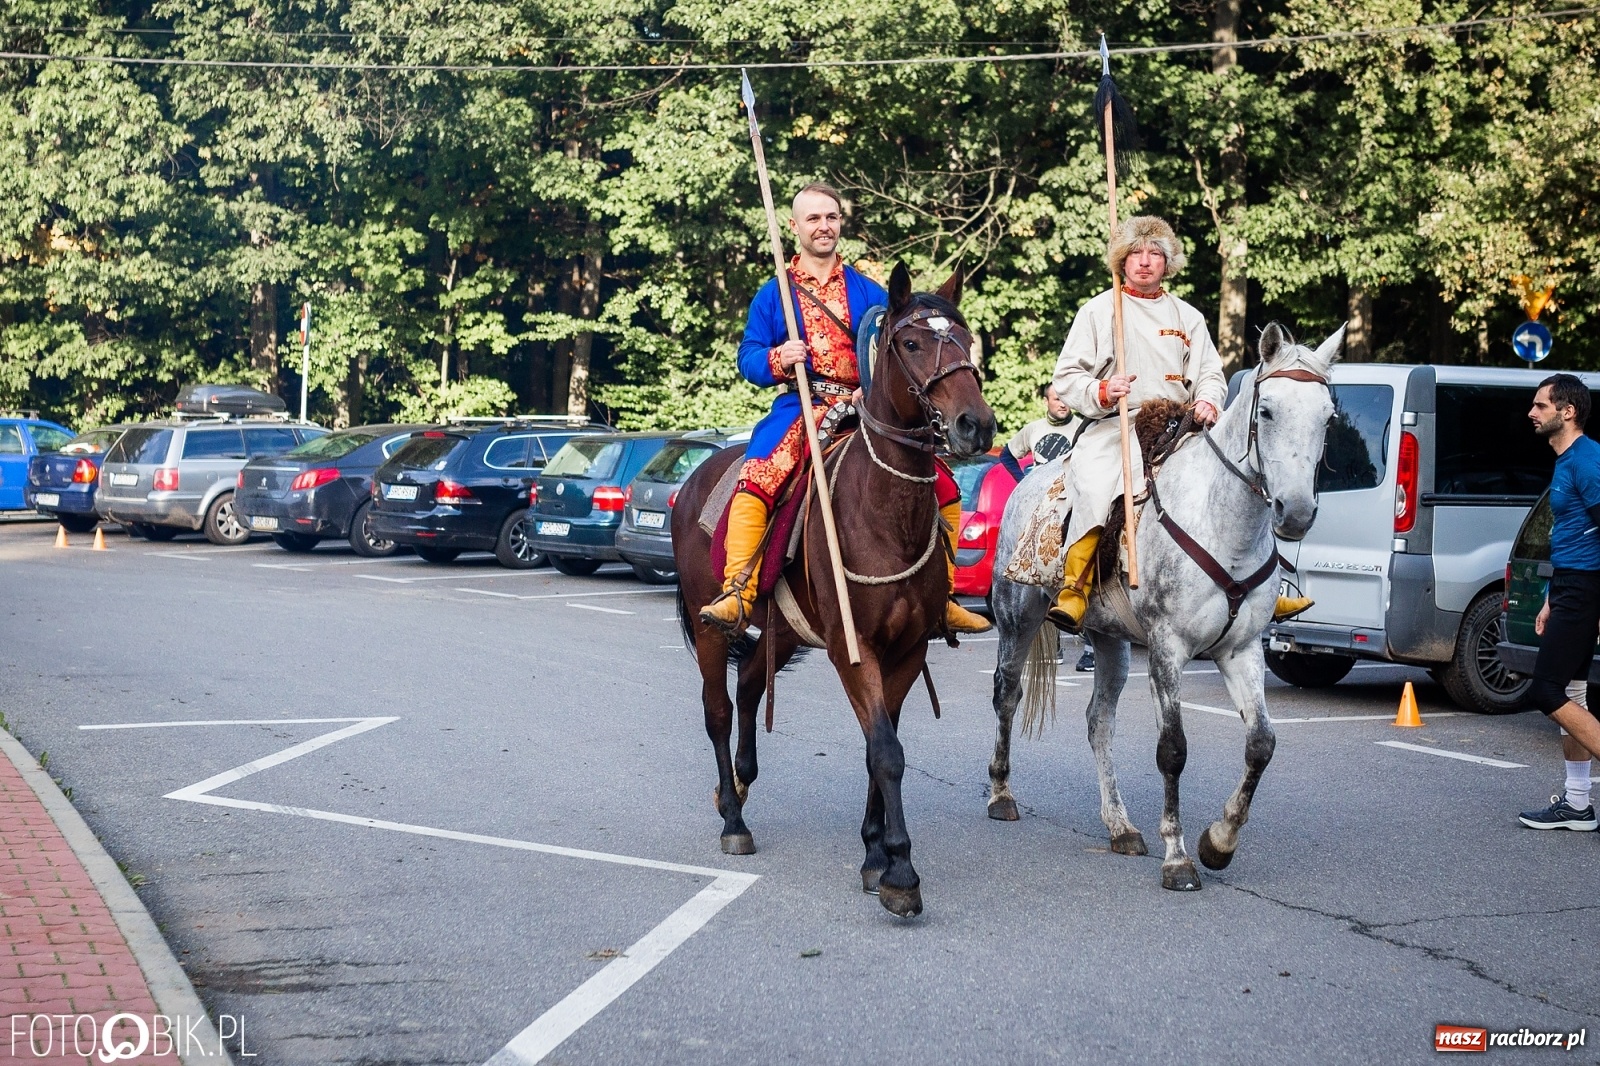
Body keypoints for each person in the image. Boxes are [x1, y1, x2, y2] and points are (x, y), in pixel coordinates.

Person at [700, 183, 991, 636]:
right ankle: (738, 589)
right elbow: (748, 357)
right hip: (802, 404)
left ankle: (945, 595)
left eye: (831, 217)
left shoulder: (868, 290)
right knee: (759, 474)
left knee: (946, 488)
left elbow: (891, 353)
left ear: (840, 222)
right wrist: (780, 358)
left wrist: (869, 387)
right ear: (795, 227)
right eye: (813, 218)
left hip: (862, 406)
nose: (824, 226)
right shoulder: (773, 293)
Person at [1043, 215, 1312, 631]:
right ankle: (1075, 586)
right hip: (1118, 424)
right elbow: (1067, 377)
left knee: (1241, 480)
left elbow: (1209, 373)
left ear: (1168, 264)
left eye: (1155, 254)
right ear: (1122, 260)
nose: (1145, 261)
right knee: (1098, 482)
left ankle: (1266, 586)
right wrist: (1102, 389)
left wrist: (1207, 399)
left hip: (1181, 425)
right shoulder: (1097, 310)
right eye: (1136, 253)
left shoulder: (1188, 316)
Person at [1516, 373, 1600, 826]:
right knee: (1572, 693)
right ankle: (1578, 802)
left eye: (1541, 406)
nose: (1532, 413)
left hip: (1586, 588)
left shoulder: (1588, 462)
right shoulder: (1566, 460)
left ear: (1567, 412)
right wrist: (1550, 596)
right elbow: (1570, 536)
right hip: (1569, 584)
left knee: (1546, 690)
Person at [999, 383, 1075, 480]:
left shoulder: (1083, 429)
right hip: (1041, 493)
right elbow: (1006, 455)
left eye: (1066, 399)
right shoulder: (1033, 429)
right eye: (1057, 399)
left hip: (1072, 492)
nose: (1063, 405)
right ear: (1046, 401)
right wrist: (1023, 482)